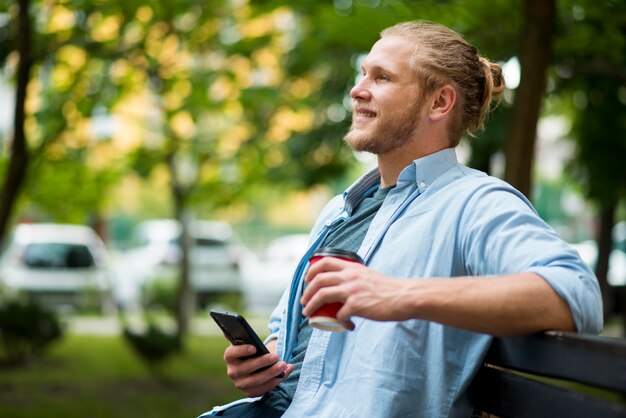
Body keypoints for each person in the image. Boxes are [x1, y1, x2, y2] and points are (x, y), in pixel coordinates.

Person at [199, 20, 603, 418]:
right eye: (363, 74)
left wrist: (398, 295)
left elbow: (576, 292)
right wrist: (266, 359)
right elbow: (289, 328)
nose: (357, 90)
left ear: (439, 103)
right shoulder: (343, 207)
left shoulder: (476, 202)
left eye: (382, 78)